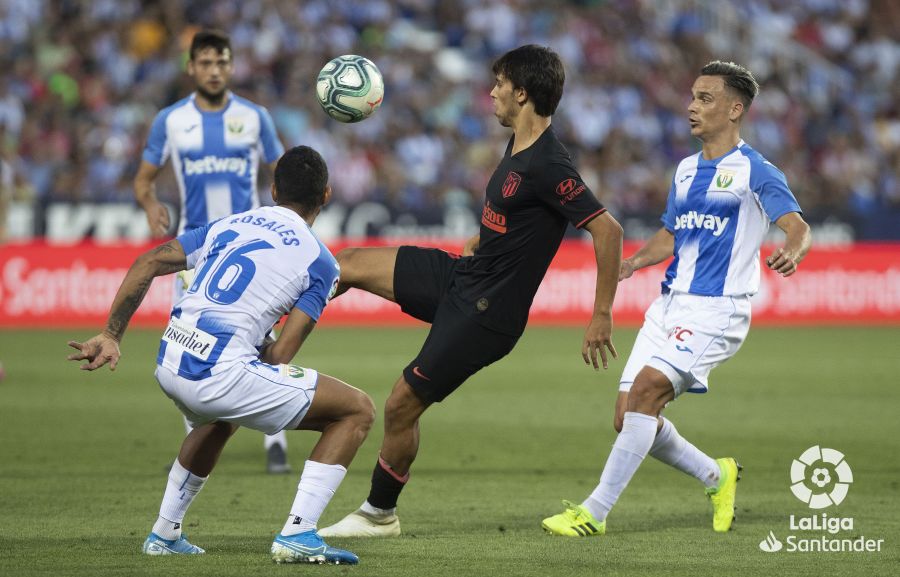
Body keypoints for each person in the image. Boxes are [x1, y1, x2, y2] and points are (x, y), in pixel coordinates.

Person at [318, 45, 623, 538]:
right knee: (349, 263)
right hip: (465, 277)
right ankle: (270, 331)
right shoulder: (518, 144)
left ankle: (379, 514)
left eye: (499, 84)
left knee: (400, 404)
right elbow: (520, 216)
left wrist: (601, 314)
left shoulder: (549, 163)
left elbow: (608, 231)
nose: (492, 92)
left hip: (486, 313)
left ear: (522, 94)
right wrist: (484, 239)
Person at [541, 61, 812, 537]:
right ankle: (716, 475)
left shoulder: (756, 170)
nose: (691, 106)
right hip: (668, 305)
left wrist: (792, 249)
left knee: (646, 392)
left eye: (705, 98)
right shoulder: (686, 170)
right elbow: (673, 233)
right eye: (692, 96)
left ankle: (593, 513)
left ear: (735, 109)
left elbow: (797, 225)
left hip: (717, 309)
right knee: (628, 416)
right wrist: (632, 263)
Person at [68, 146, 373, 564]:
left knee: (225, 416)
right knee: (356, 410)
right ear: (326, 195)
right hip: (216, 374)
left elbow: (149, 260)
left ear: (273, 190)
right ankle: (298, 533)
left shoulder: (232, 223)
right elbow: (281, 354)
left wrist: (110, 334)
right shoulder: (322, 262)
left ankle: (164, 534)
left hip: (171, 358)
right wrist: (255, 346)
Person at [133, 29, 291, 474]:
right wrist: (150, 205)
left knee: (262, 343)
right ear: (191, 67)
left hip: (249, 249)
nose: (214, 71)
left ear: (232, 66)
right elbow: (143, 180)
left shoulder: (255, 117)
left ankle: (275, 441)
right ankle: (196, 446)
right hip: (194, 251)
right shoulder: (170, 120)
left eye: (222, 62)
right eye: (205, 63)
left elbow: (283, 174)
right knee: (188, 347)